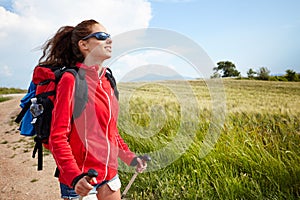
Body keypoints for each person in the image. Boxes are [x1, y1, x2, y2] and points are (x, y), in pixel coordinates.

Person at [38, 19, 147, 200]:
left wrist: (130, 158)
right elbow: (58, 137)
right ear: (84, 45)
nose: (109, 40)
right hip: (82, 180)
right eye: (102, 36)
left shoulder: (107, 81)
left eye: (109, 36)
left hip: (109, 174)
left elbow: (110, 132)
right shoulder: (71, 80)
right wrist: (74, 176)